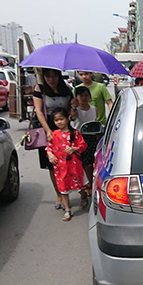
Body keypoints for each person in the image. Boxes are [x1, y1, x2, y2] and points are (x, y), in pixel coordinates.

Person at [32, 68, 74, 210]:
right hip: (48, 127)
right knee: (53, 164)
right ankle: (59, 195)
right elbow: (38, 111)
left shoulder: (67, 89)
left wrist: (72, 110)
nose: (51, 79)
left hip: (65, 128)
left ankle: (72, 189)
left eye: (54, 76)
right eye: (48, 76)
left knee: (69, 160)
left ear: (59, 76)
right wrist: (48, 130)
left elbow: (70, 109)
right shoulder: (40, 89)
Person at [45, 108, 87, 222]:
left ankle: (83, 195)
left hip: (74, 166)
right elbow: (48, 147)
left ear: (67, 119)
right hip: (60, 167)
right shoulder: (54, 134)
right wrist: (50, 154)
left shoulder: (75, 133)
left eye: (61, 119)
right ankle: (67, 209)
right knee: (63, 187)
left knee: (79, 184)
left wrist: (75, 148)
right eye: (56, 120)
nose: (59, 122)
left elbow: (83, 145)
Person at [70, 86, 98, 209]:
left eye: (86, 95)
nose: (84, 98)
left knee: (90, 165)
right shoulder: (74, 111)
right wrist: (73, 114)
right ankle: (83, 192)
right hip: (78, 141)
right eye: (81, 96)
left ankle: (91, 187)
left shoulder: (94, 109)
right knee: (80, 167)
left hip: (91, 139)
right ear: (76, 98)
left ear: (90, 97)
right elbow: (72, 123)